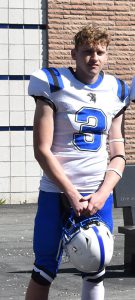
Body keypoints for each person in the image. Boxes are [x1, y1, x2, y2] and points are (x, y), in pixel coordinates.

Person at [25, 24, 130, 300]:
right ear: (73, 53)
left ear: (106, 55)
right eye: (87, 51)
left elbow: (118, 153)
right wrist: (72, 194)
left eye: (100, 52)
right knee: (44, 268)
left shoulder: (116, 90)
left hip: (97, 195)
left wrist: (102, 194)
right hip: (57, 193)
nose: (93, 57)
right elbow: (41, 150)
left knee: (96, 265)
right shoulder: (53, 83)